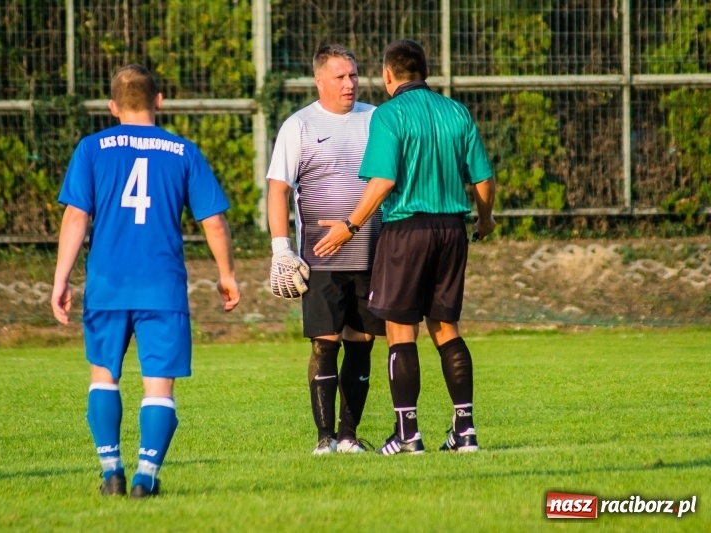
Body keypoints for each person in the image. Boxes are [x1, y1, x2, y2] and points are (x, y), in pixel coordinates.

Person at [51, 64, 240, 497]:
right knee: (159, 383)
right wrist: (226, 274)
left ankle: (110, 470)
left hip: (107, 283)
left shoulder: (92, 148)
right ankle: (145, 477)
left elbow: (76, 215)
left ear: (113, 106)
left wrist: (61, 279)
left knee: (103, 377)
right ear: (159, 100)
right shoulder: (183, 151)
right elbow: (213, 221)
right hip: (163, 285)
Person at [314, 39, 496, 455]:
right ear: (425, 72)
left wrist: (349, 225)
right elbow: (483, 180)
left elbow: (383, 182)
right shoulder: (457, 112)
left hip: (406, 230)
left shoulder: (389, 115)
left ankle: (407, 435)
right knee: (446, 328)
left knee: (401, 332)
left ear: (388, 75)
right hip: (453, 228)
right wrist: (484, 221)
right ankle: (464, 431)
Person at [266, 44, 385, 455]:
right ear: (319, 81)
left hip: (372, 255)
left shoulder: (376, 119)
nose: (350, 83)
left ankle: (349, 437)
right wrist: (281, 249)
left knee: (362, 341)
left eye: (353, 75)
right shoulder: (297, 126)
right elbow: (278, 189)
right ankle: (324, 439)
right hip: (320, 258)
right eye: (340, 76)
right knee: (325, 341)